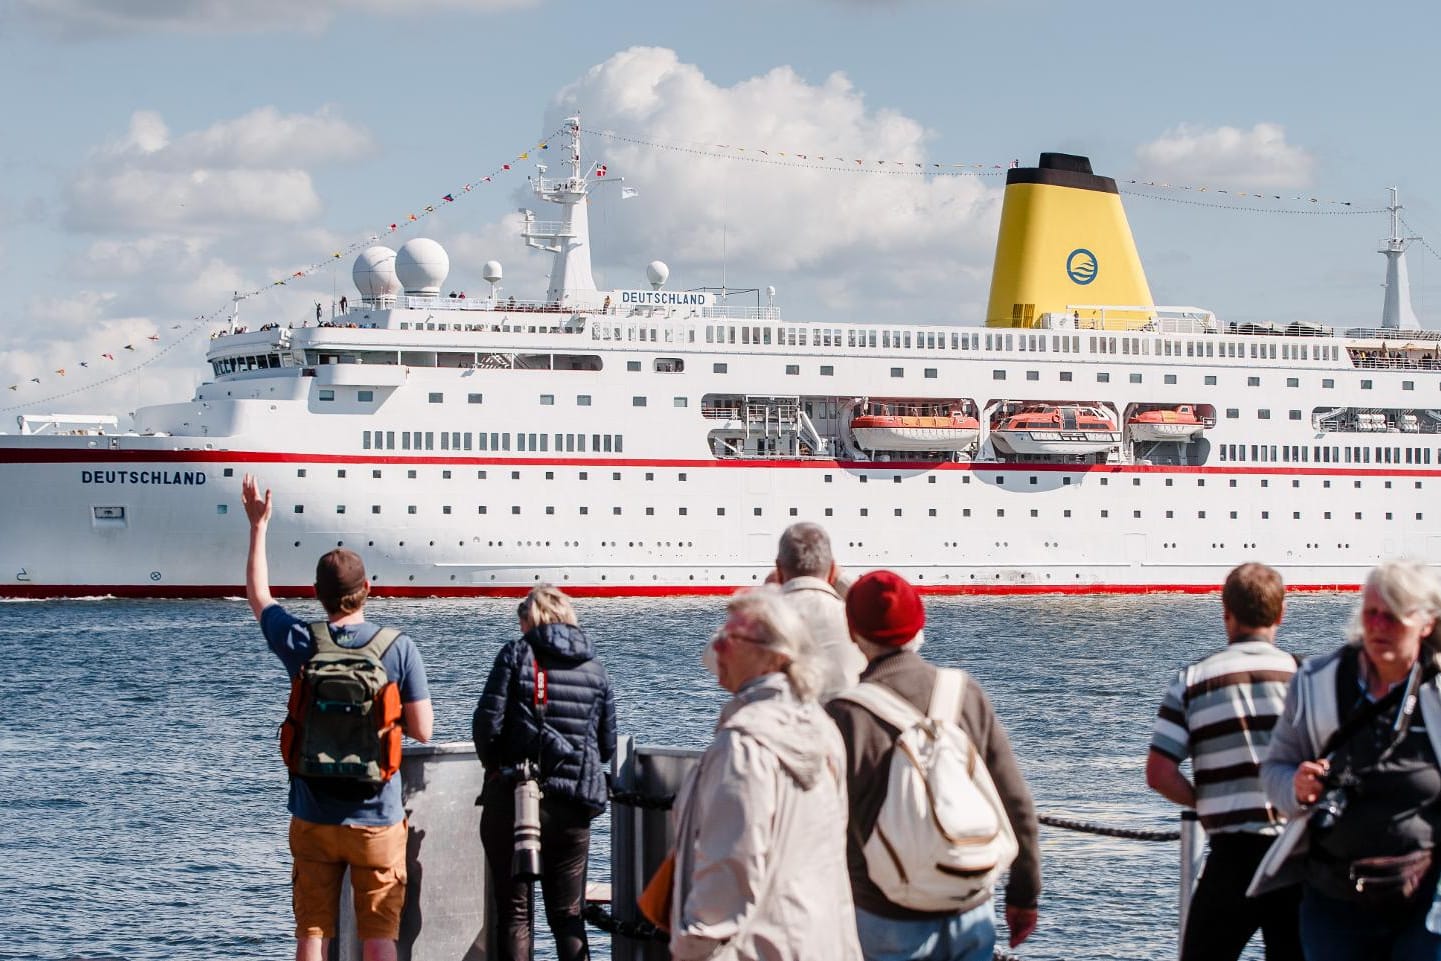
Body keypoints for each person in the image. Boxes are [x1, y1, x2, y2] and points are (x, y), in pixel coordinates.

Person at [241, 474, 433, 961]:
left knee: (312, 932)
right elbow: (423, 730)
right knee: (379, 935)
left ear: (316, 593)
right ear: (366, 589)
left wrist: (258, 526)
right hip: (377, 817)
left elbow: (259, 598)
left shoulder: (303, 642)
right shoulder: (397, 647)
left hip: (312, 812)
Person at [825, 570, 1040, 961]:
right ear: (919, 626)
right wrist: (1024, 896)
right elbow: (1017, 804)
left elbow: (822, 826)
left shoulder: (845, 715)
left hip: (883, 912)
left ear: (852, 633)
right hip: (969, 904)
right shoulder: (964, 693)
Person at [1254, 559, 1441, 959]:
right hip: (1334, 897)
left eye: (1393, 617)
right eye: (1371, 614)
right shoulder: (1318, 682)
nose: (1378, 627)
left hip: (1426, 901)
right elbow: (1275, 768)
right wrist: (1297, 788)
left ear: (1426, 623)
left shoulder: (1437, 690)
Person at [670, 586, 862, 961]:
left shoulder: (744, 745)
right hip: (818, 941)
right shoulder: (823, 729)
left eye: (731, 638)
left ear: (772, 658)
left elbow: (731, 866)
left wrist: (693, 947)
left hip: (754, 948)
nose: (718, 647)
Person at [1146, 562, 1301, 961]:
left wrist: (1209, 799)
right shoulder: (1305, 677)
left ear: (1226, 613)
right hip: (1296, 854)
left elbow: (1159, 773)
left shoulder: (1193, 680)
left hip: (1230, 856)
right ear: (1281, 613)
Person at [473, 585, 616, 961]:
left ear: (530, 620)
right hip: (573, 806)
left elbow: (487, 724)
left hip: (516, 798)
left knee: (515, 914)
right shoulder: (595, 667)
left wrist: (496, 768)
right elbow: (607, 745)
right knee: (568, 914)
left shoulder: (517, 655)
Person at [774, 522, 865, 700]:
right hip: (847, 721)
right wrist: (843, 580)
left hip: (781, 723)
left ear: (778, 569)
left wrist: (764, 596)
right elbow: (905, 634)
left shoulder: (758, 620)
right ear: (832, 569)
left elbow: (713, 659)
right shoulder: (857, 619)